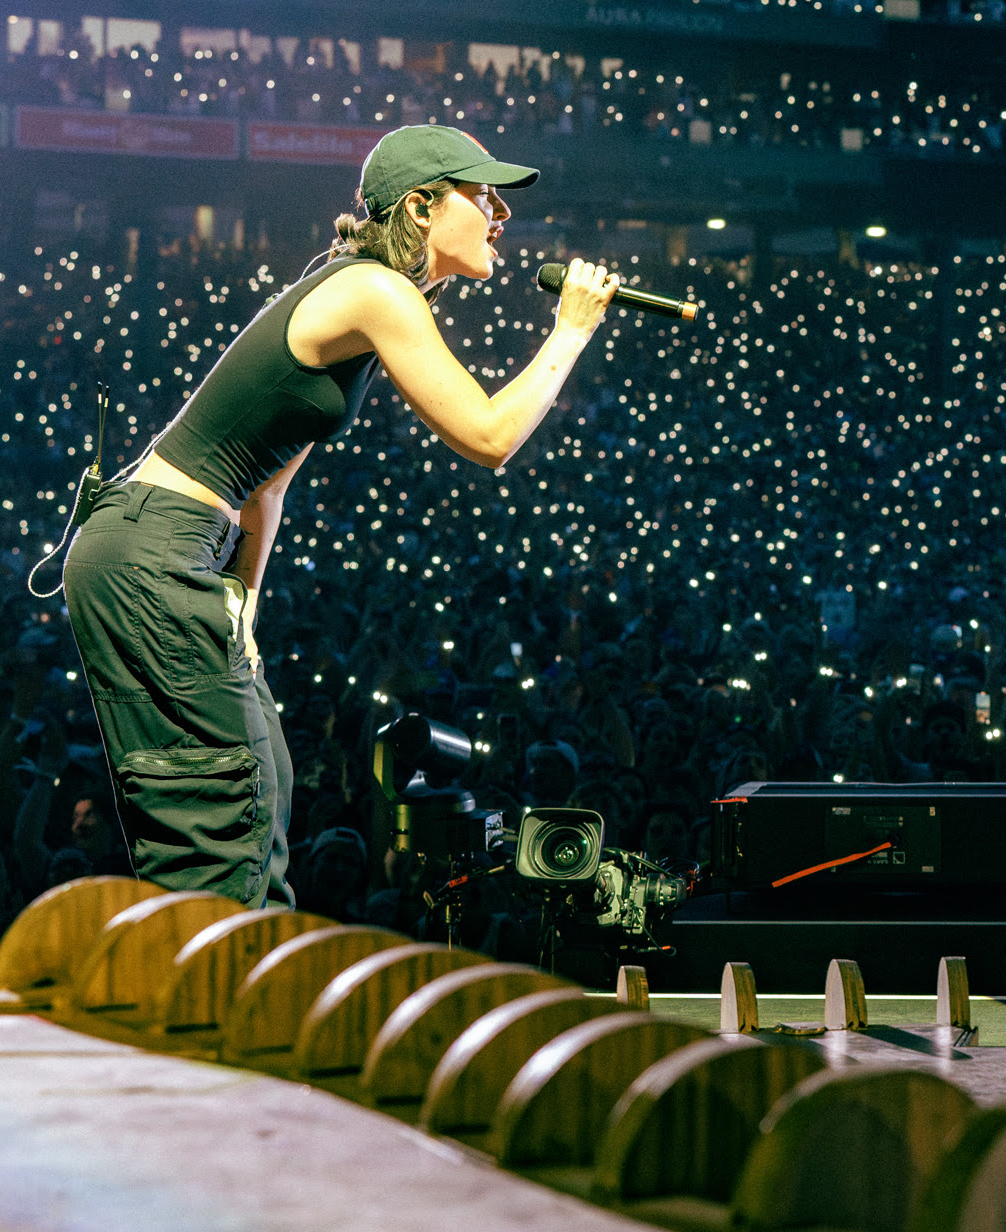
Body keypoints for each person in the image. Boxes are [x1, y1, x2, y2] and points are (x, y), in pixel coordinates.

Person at [62, 125, 620, 906]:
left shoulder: (362, 291)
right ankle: (204, 1012)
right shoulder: (373, 290)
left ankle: (242, 991)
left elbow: (269, 486)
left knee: (263, 780)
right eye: (482, 193)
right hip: (153, 550)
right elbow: (491, 438)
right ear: (422, 208)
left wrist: (245, 608)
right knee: (223, 816)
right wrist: (571, 330)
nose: (500, 213)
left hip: (173, 549)